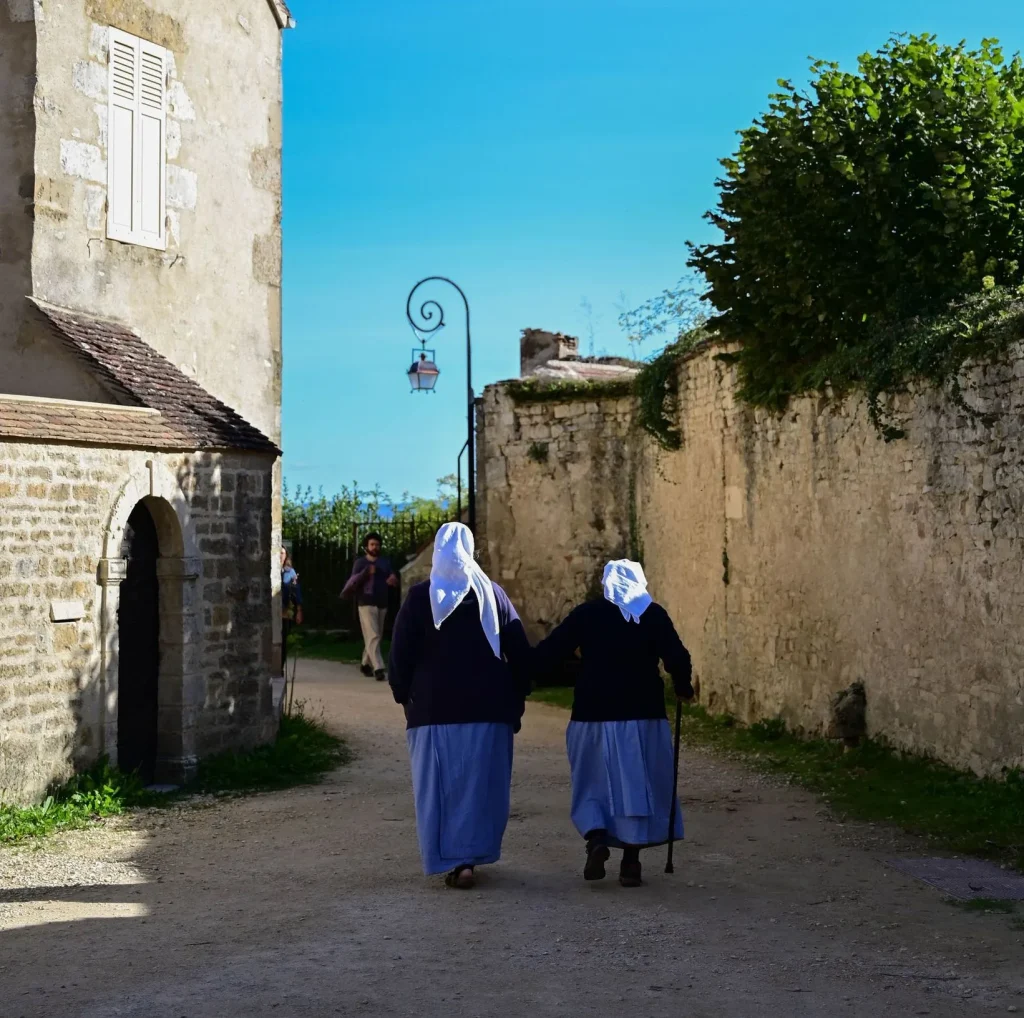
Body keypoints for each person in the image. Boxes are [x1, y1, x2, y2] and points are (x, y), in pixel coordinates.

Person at [387, 522, 531, 889]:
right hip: (489, 710)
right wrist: (516, 701)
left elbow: (399, 655)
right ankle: (470, 857)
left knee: (440, 788)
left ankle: (454, 860)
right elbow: (520, 654)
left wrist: (404, 695)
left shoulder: (421, 598)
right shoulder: (493, 595)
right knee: (481, 786)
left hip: (434, 712)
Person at [533, 559, 694, 888]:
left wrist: (521, 673)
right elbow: (677, 656)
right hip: (642, 715)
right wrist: (682, 686)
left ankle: (596, 838)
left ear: (607, 585)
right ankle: (631, 863)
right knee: (635, 785)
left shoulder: (587, 615)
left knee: (592, 781)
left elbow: (550, 652)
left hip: (591, 713)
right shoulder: (652, 614)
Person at [341, 532, 398, 680]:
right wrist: (366, 573)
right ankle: (379, 668)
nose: (375, 547)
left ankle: (365, 664)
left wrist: (392, 579)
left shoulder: (385, 562)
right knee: (373, 635)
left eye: (377, 545)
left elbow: (392, 577)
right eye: (372, 544)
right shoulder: (360, 563)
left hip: (382, 602)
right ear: (366, 546)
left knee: (375, 635)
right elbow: (353, 581)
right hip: (366, 602)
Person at [281, 547, 303, 677]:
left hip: (285, 612)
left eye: (282, 553)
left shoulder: (291, 572)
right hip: (271, 611)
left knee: (283, 641)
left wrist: (299, 610)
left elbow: (296, 591)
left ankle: (280, 667)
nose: (280, 556)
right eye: (278, 552)